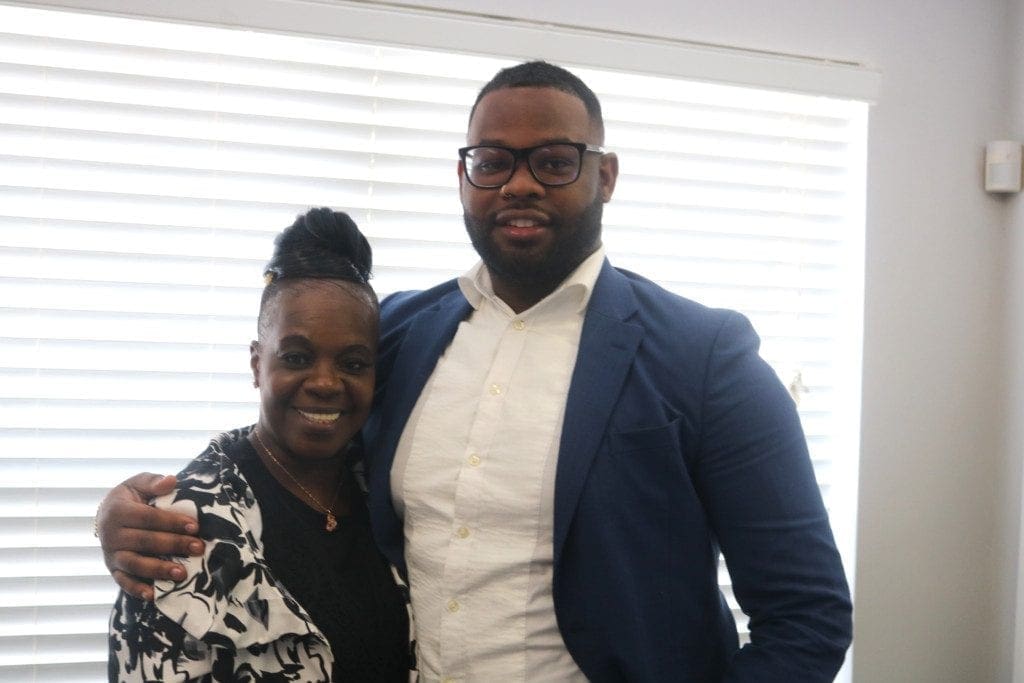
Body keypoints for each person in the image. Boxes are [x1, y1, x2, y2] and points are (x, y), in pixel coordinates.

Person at [98, 62, 853, 681]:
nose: (517, 184)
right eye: (491, 161)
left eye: (554, 161)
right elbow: (297, 430)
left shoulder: (705, 355)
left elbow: (808, 615)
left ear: (607, 176)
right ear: (463, 176)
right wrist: (130, 510)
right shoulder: (399, 331)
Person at [106, 208, 412, 682]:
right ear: (256, 364)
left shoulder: (393, 489)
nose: (327, 383)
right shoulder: (182, 526)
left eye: (353, 363)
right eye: (297, 357)